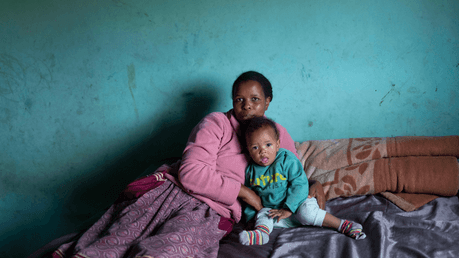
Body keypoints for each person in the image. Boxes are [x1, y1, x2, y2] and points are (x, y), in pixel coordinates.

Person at [52, 71, 325, 258]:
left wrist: (314, 184)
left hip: (213, 211)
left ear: (267, 102)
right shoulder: (216, 123)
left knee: (172, 247)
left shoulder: (277, 134)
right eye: (239, 100)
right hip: (173, 193)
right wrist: (243, 192)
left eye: (255, 100)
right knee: (114, 242)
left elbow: (292, 172)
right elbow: (191, 174)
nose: (246, 107)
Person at [239, 116, 367, 246]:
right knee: (263, 214)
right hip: (276, 213)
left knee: (308, 212)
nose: (262, 151)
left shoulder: (286, 159)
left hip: (297, 204)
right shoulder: (251, 170)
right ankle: (261, 234)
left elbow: (299, 183)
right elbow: (251, 196)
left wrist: (289, 209)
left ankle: (342, 225)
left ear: (277, 144)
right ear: (248, 150)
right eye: (255, 147)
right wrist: (250, 218)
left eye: (268, 144)